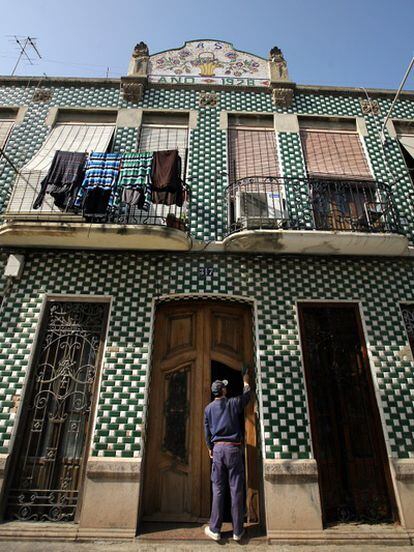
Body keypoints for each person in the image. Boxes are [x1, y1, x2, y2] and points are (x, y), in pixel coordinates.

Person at [204, 373, 251, 542]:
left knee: (217, 489)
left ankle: (215, 529)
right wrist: (246, 382)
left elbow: (207, 431)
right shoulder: (232, 404)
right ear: (222, 390)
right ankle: (238, 531)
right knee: (236, 489)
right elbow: (247, 397)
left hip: (217, 450)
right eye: (225, 386)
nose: (226, 388)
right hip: (233, 450)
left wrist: (210, 447)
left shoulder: (208, 409)